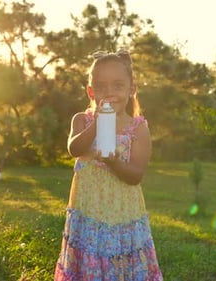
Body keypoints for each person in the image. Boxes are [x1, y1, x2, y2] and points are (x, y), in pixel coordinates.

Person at [54, 50, 163, 280]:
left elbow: (135, 176)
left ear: (131, 89)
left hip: (122, 216)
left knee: (120, 264)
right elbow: (74, 149)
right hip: (89, 214)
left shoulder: (137, 128)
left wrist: (113, 161)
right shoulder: (82, 119)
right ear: (91, 92)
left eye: (118, 85)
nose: (109, 93)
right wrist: (97, 123)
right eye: (101, 87)